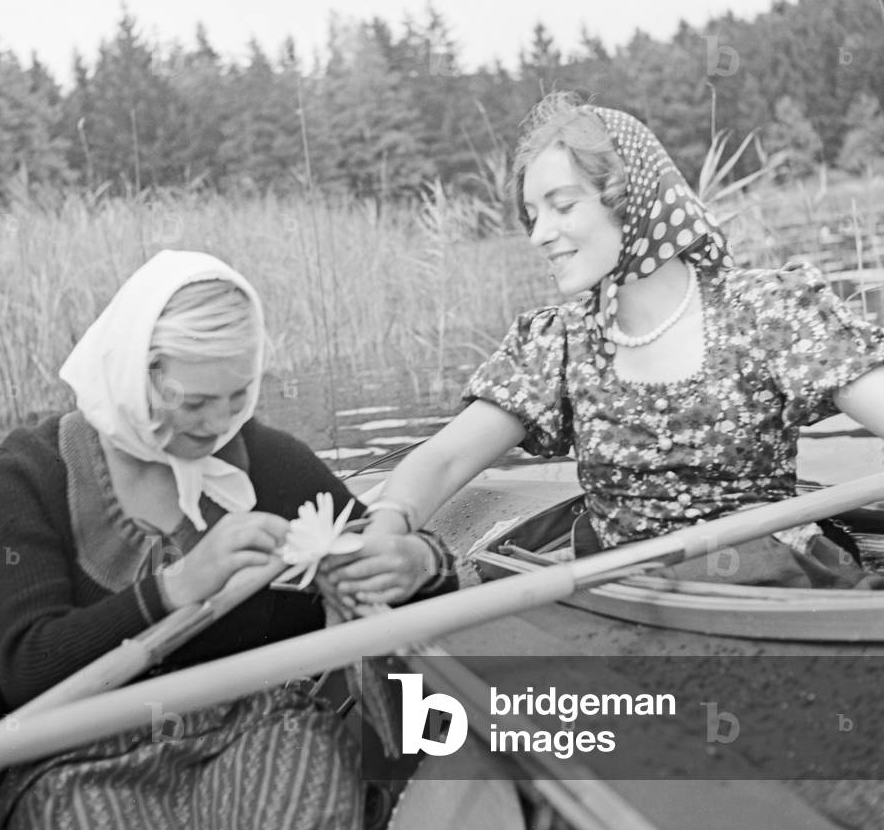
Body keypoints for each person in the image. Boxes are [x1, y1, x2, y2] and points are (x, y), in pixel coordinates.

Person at [324, 93, 884, 606]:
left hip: (764, 582)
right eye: (533, 213)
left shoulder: (768, 311)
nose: (540, 233)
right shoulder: (557, 343)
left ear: (631, 200)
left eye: (563, 206)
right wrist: (388, 527)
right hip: (624, 591)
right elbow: (445, 457)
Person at [0, 250, 455, 830]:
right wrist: (179, 586)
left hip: (254, 729)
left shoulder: (269, 464)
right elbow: (25, 671)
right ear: (137, 370)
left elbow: (401, 584)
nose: (217, 424)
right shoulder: (31, 471)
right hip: (78, 752)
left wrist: (417, 561)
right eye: (195, 401)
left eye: (236, 397)